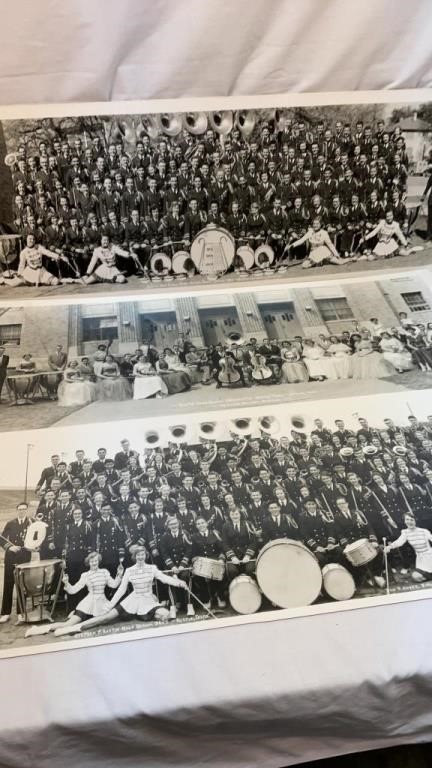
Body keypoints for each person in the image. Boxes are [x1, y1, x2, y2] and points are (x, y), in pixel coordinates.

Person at [52, 546, 189, 635]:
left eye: (143, 554)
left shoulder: (152, 568)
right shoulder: (129, 571)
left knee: (165, 615)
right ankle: (74, 628)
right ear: (134, 557)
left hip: (147, 600)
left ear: (146, 555)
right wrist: (110, 604)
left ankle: (147, 614)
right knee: (105, 617)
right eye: (138, 555)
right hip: (131, 601)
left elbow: (165, 578)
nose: (140, 557)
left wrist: (179, 582)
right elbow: (121, 590)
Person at [25, 551, 124, 637]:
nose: (94, 563)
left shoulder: (104, 572)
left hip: (102, 604)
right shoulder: (85, 575)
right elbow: (73, 590)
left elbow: (114, 585)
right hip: (87, 604)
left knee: (98, 622)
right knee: (68, 624)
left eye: (96, 561)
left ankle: (67, 630)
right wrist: (67, 582)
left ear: (99, 561)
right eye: (92, 561)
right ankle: (37, 630)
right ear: (88, 563)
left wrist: (119, 574)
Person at [0, 503, 33, 623]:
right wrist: (9, 547)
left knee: (22, 584)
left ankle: (21, 613)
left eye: (24, 509)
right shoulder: (10, 523)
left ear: (27, 510)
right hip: (11, 556)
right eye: (19, 509)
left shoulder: (32, 522)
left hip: (24, 555)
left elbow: (37, 537)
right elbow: (1, 538)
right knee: (8, 584)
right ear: (16, 510)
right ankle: (5, 613)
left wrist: (33, 546)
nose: (22, 511)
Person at [384, 514, 432, 582]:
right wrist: (389, 547)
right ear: (404, 522)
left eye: (412, 520)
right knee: (415, 577)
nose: (409, 522)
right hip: (421, 560)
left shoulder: (424, 531)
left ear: (415, 521)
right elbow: (399, 542)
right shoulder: (405, 532)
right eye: (407, 520)